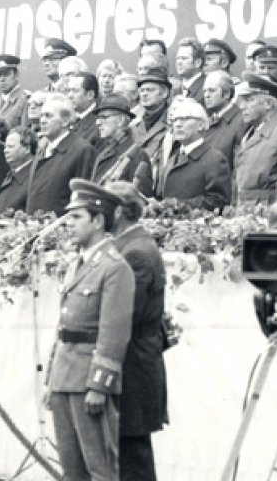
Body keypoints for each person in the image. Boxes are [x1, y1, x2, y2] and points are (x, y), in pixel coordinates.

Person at [46, 179, 134, 481]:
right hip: (65, 376)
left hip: (88, 380)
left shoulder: (114, 267)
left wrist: (99, 385)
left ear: (98, 221)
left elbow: (114, 332)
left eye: (76, 217)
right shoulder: (77, 265)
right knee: (71, 470)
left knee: (100, 469)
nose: (68, 224)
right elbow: (64, 325)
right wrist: (51, 379)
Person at [106, 181, 168, 481]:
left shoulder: (136, 253)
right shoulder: (129, 246)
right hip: (130, 365)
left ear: (118, 212)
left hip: (133, 369)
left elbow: (124, 316)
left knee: (133, 460)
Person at [155, 97, 231, 210]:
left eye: (185, 119)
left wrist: (179, 206)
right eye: (175, 120)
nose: (178, 124)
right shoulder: (172, 158)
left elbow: (218, 201)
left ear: (200, 125)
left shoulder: (214, 159)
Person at [27, 95, 96, 215]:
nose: (42, 120)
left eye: (48, 116)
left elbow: (83, 198)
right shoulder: (42, 150)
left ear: (65, 121)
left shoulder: (82, 149)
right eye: (41, 115)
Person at [234, 74, 277, 204]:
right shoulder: (250, 131)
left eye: (249, 100)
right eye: (242, 101)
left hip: (267, 212)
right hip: (246, 212)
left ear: (268, 104)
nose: (242, 106)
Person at [91, 95, 152, 194]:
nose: (98, 122)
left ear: (121, 121)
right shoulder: (105, 148)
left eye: (104, 117)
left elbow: (139, 200)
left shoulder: (136, 154)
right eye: (98, 118)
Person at [202, 71, 246, 176]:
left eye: (212, 91)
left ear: (227, 94)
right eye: (205, 91)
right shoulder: (207, 121)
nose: (207, 95)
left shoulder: (241, 121)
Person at [0, 127, 37, 217]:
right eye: (5, 147)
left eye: (11, 147)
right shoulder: (11, 174)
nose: (5, 151)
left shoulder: (34, 176)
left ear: (27, 148)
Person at [130, 68, 172, 163]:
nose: (144, 94)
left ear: (165, 93)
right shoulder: (134, 124)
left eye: (150, 90)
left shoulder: (174, 121)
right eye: (142, 90)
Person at [0, 54, 30, 129]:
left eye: (6, 74)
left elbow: (25, 132)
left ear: (16, 75)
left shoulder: (25, 99)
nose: (2, 79)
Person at [68, 71, 103, 147]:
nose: (69, 95)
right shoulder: (66, 119)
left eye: (75, 91)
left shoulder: (99, 124)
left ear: (90, 95)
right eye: (69, 90)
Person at [174, 38, 205, 102]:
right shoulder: (174, 91)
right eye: (177, 58)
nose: (179, 62)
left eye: (184, 58)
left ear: (198, 62)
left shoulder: (206, 88)